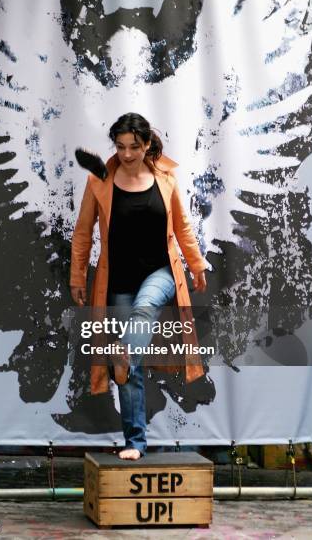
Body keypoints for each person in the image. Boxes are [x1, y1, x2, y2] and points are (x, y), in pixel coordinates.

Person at [70, 112, 207, 460]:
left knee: (145, 311)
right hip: (117, 280)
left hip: (160, 270)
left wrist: (196, 264)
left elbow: (183, 227)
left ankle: (122, 356)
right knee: (132, 367)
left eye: (134, 146)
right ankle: (135, 443)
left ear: (147, 145)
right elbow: (83, 232)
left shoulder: (166, 178)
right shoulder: (99, 181)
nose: (127, 153)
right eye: (120, 146)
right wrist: (77, 276)